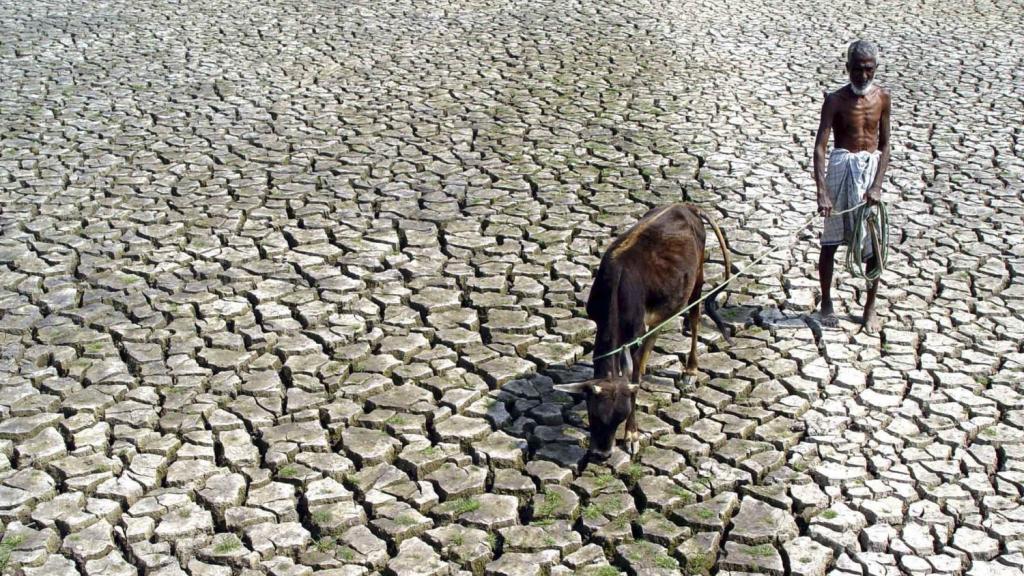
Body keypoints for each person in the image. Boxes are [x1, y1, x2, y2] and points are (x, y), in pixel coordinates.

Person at [813, 39, 891, 333]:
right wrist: (822, 191)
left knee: (873, 243)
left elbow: (885, 145)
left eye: (868, 70)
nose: (862, 76)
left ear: (875, 69)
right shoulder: (834, 100)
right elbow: (820, 147)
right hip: (840, 168)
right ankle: (827, 303)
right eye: (857, 70)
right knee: (830, 242)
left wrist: (877, 185)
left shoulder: (883, 98)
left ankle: (870, 308)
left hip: (869, 172)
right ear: (847, 68)